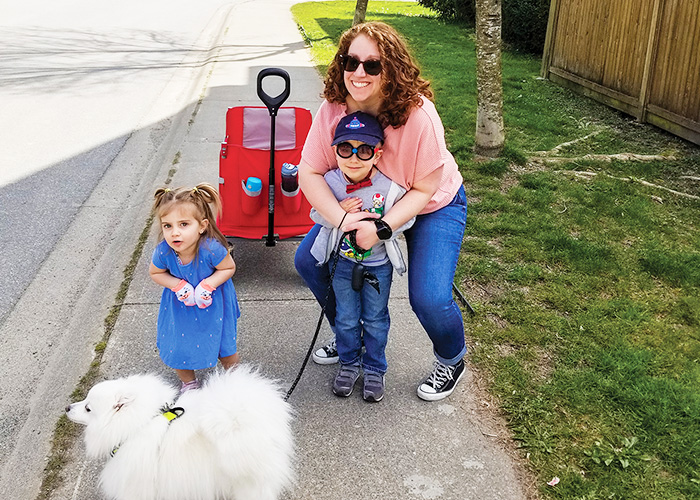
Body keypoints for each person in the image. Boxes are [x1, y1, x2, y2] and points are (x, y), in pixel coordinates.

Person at [295, 21, 468, 402]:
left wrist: (383, 228)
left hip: (431, 206)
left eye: (372, 65)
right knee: (309, 261)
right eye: (350, 61)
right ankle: (349, 337)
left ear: (391, 69)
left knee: (429, 297)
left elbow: (424, 187)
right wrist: (341, 219)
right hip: (366, 201)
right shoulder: (332, 110)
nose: (359, 73)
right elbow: (309, 171)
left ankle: (451, 358)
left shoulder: (418, 116)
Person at [309, 111, 414, 402]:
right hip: (342, 264)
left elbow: (406, 217)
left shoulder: (390, 187)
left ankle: (375, 368)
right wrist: (338, 210)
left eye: (364, 150)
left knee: (376, 318)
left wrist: (382, 227)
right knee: (345, 318)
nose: (354, 158)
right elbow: (315, 214)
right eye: (346, 149)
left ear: (377, 155)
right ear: (335, 151)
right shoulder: (329, 182)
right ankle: (348, 363)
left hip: (378, 267)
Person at [149, 183, 241, 393]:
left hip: (215, 305)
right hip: (181, 308)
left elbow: (228, 268)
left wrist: (208, 284)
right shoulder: (163, 252)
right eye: (167, 226)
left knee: (224, 347)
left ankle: (234, 378)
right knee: (178, 345)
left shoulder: (211, 249)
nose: (174, 233)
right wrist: (177, 284)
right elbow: (155, 273)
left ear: (202, 226)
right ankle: (188, 383)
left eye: (183, 224)